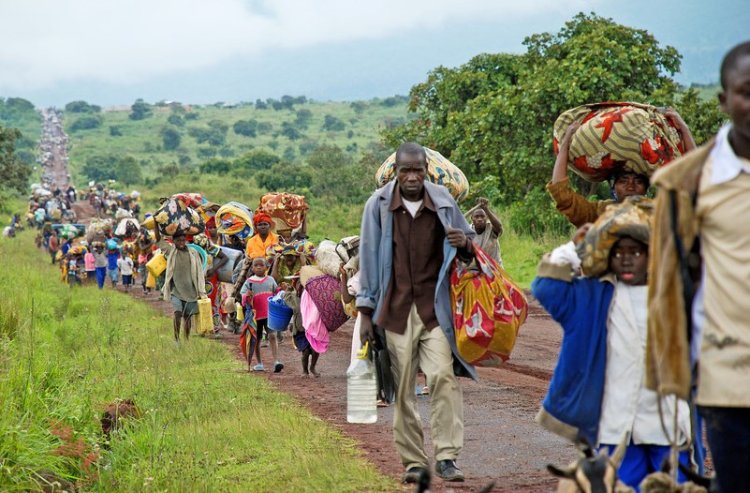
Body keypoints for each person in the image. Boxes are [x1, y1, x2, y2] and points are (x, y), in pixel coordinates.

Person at [646, 41, 750, 493]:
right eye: (747, 90)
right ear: (724, 100)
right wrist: (672, 372)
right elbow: (669, 282)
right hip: (727, 375)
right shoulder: (687, 184)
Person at [531, 199, 691, 492]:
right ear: (607, 256)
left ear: (651, 254)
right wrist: (577, 247)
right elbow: (545, 287)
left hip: (669, 421)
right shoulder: (594, 297)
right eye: (618, 253)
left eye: (636, 252)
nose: (627, 259)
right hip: (616, 426)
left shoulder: (675, 295)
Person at [357, 142, 476, 484]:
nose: (411, 177)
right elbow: (367, 256)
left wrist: (463, 242)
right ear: (395, 172)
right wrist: (365, 313)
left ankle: (447, 456)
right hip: (394, 309)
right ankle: (413, 462)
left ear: (427, 170)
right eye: (405, 171)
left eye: (417, 171)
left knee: (443, 377)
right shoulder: (377, 205)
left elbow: (469, 242)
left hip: (433, 307)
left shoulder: (441, 200)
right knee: (404, 387)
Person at [547, 111, 696, 227]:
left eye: (638, 181)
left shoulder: (660, 212)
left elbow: (695, 185)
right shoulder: (598, 213)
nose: (630, 186)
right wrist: (566, 143)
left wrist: (684, 129)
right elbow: (563, 196)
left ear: (646, 188)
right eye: (623, 181)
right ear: (613, 188)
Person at [156, 228, 207, 343]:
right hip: (176, 291)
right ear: (173, 241)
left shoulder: (193, 253)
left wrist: (201, 290)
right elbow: (158, 240)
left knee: (188, 318)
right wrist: (155, 223)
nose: (181, 243)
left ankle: (186, 339)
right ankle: (177, 339)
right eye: (178, 241)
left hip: (191, 292)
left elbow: (200, 271)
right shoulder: (171, 251)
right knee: (177, 313)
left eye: (183, 240)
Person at [240, 257, 283, 372]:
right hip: (255, 316)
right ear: (252, 268)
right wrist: (247, 295)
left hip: (269, 314)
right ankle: (259, 363)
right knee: (256, 339)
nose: (259, 267)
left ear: (266, 267)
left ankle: (276, 361)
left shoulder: (270, 280)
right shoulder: (249, 282)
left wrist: (282, 290)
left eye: (261, 265)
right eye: (256, 265)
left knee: (272, 336)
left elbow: (276, 293)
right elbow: (243, 297)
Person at [282, 275, 320, 376]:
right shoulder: (294, 298)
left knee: (315, 350)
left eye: (303, 284)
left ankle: (312, 367)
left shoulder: (314, 297)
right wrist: (290, 288)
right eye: (299, 284)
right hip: (300, 331)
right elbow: (285, 298)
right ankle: (305, 370)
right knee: (306, 351)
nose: (301, 286)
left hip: (313, 330)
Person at [468, 197, 503, 265]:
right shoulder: (468, 231)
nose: (480, 219)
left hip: (494, 268)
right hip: (476, 268)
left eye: (482, 216)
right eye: (477, 217)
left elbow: (499, 227)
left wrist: (486, 209)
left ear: (486, 217)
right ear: (472, 218)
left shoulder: (491, 228)